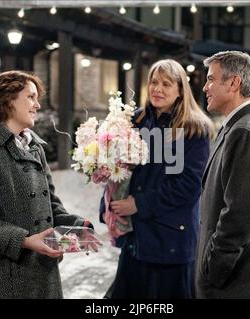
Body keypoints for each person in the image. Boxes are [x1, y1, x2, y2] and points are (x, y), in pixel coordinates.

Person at [0, 71, 95, 298]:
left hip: (42, 272)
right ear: (8, 100)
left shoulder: (34, 148)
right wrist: (23, 240)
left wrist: (77, 226)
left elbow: (49, 204)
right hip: (1, 277)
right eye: (31, 97)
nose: (37, 105)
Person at [101, 59, 214, 298]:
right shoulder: (136, 121)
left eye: (166, 84)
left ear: (180, 90)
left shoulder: (194, 129)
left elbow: (189, 186)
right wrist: (109, 204)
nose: (157, 89)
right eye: (154, 82)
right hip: (137, 238)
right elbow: (122, 170)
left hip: (171, 240)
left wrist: (139, 203)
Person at [195, 51, 250, 299]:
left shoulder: (245, 132)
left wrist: (211, 271)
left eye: (211, 79)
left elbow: (239, 218)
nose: (205, 87)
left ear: (234, 83)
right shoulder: (245, 125)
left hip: (238, 286)